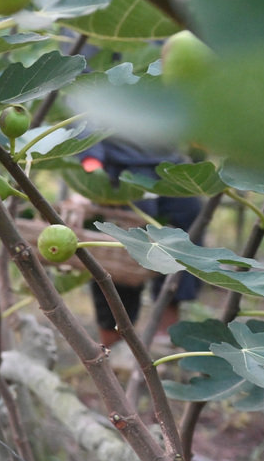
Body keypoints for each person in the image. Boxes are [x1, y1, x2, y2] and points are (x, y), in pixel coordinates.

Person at [68, 135, 203, 348]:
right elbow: (89, 119)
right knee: (122, 254)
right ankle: (115, 341)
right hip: (122, 167)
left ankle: (166, 335)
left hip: (169, 166)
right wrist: (93, 171)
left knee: (183, 237)